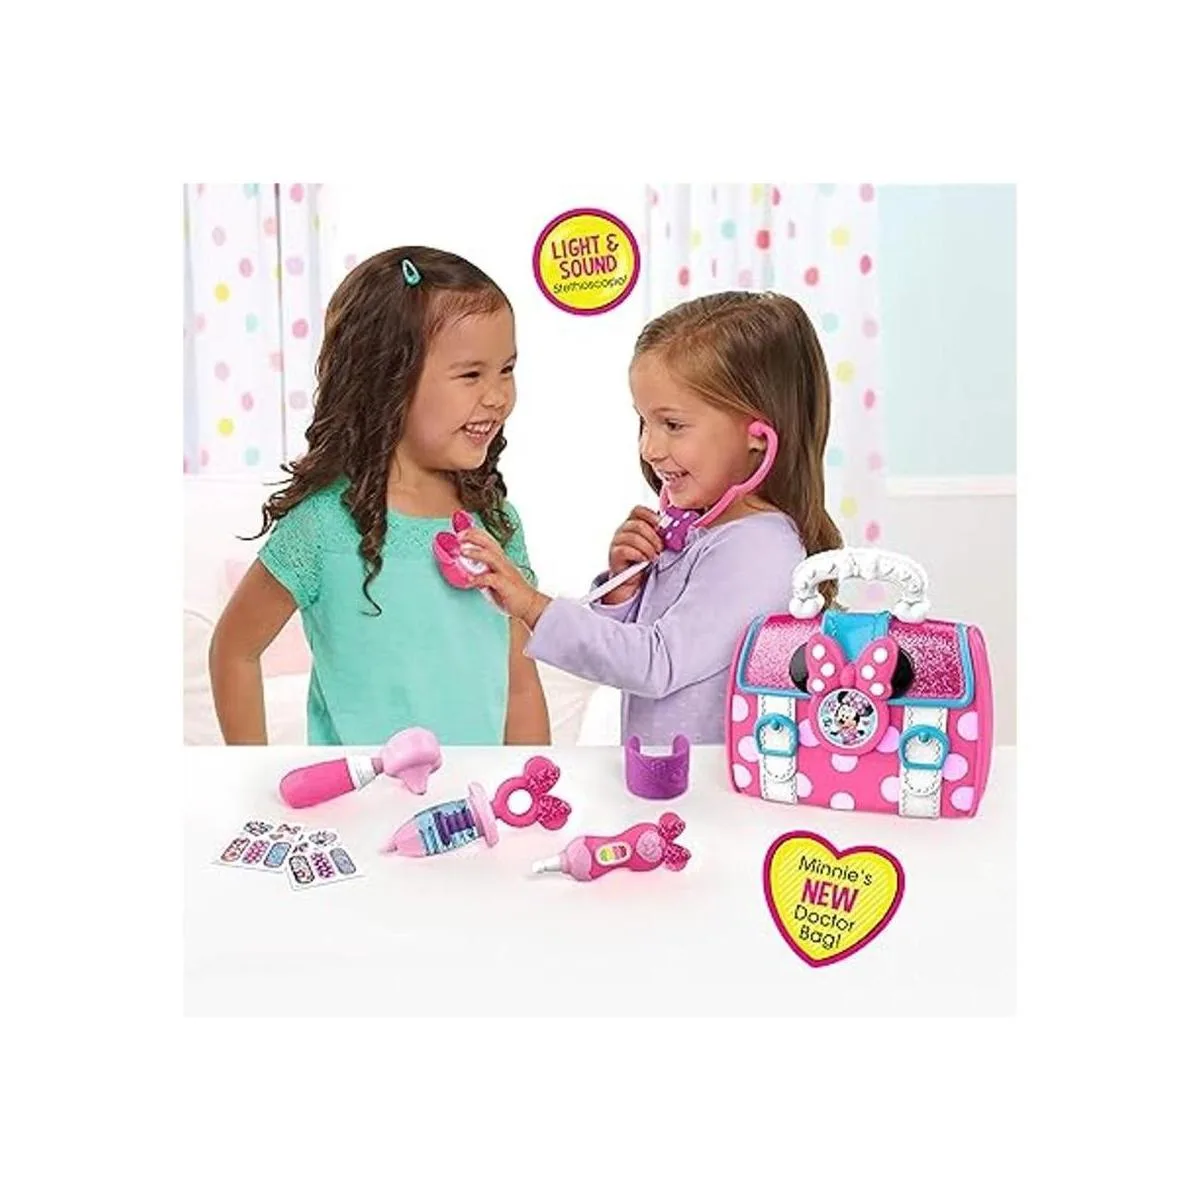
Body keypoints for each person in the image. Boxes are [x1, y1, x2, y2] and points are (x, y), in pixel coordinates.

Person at [455, 291, 841, 746]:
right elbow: (628, 655)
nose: (649, 448)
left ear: (757, 435)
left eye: (672, 425)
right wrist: (624, 593)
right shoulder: (705, 533)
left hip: (712, 784)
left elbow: (655, 664)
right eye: (644, 422)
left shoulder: (757, 548)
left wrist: (531, 605)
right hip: (672, 777)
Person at [209, 247, 549, 746]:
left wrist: (531, 778)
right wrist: (252, 772)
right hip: (359, 792)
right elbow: (234, 650)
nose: (498, 395)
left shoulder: (496, 522)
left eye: (507, 369)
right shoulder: (322, 525)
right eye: (471, 374)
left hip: (474, 792)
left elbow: (520, 685)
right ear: (388, 379)